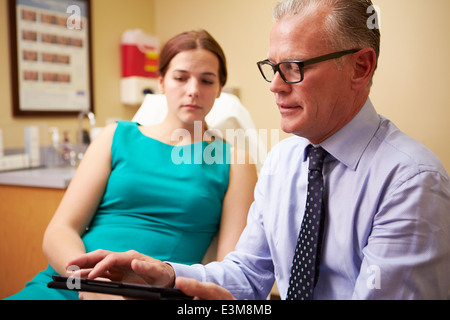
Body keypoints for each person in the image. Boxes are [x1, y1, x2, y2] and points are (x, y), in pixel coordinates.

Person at [69, 0, 450, 300]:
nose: (276, 86)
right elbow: (247, 276)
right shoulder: (283, 163)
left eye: (295, 67)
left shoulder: (411, 184)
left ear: (360, 67)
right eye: (273, 67)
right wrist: (166, 276)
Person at [5, 30, 257, 300]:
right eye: (180, 77)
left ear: (220, 89)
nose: (193, 90)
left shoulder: (234, 162)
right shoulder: (115, 136)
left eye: (206, 81)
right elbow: (60, 230)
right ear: (161, 81)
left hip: (148, 294)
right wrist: (89, 285)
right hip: (69, 281)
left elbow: (230, 273)